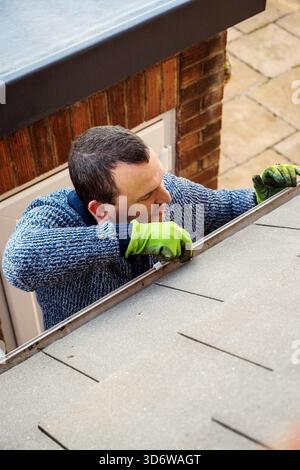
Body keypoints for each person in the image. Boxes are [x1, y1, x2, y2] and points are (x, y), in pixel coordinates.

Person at [2, 125, 300, 329]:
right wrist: (131, 236)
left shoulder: (169, 196)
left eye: (160, 179)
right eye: (147, 195)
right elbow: (19, 263)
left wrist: (261, 199)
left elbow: (223, 209)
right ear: (101, 210)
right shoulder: (55, 215)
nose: (166, 197)